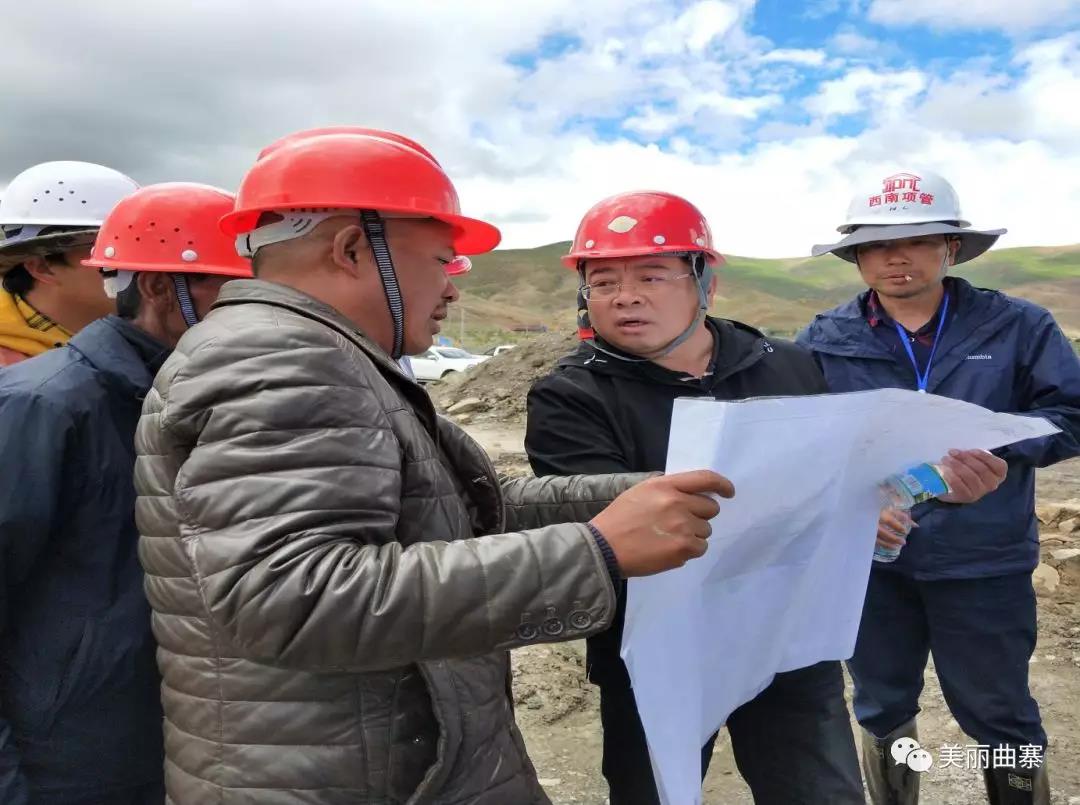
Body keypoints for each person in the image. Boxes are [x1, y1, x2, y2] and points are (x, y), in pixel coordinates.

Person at [132, 131, 732, 804]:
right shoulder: (279, 358)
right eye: (443, 260)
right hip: (352, 777)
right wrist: (596, 550)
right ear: (351, 248)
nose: (454, 286)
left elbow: (459, 507)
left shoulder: (324, 353)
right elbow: (292, 597)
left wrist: (635, 495)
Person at [525, 190, 865, 805]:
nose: (625, 296)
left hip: (786, 635)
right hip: (657, 647)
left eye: (651, 275)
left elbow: (834, 473)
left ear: (706, 282)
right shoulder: (569, 396)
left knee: (820, 791)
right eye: (603, 282)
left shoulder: (788, 367)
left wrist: (869, 508)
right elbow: (610, 530)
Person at [797, 169, 1080, 805]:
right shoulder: (824, 340)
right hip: (869, 560)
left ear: (951, 248)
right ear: (857, 257)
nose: (896, 257)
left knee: (1000, 709)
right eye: (876, 245)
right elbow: (804, 446)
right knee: (880, 703)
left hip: (984, 558)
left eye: (917, 240)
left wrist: (996, 453)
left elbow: (1070, 415)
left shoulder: (1018, 327)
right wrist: (850, 508)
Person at [0, 181, 252, 803]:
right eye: (234, 290)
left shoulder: (203, 400)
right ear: (161, 287)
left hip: (170, 745)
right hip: (62, 767)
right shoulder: (42, 406)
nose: (254, 311)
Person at [0, 161, 138, 366]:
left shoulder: (143, 339)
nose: (148, 267)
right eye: (115, 250)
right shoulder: (9, 372)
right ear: (43, 266)